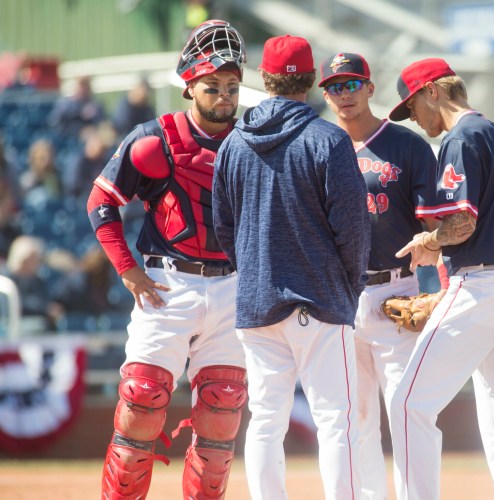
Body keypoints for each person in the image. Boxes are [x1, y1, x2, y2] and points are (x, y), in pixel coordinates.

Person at [87, 20, 248, 499]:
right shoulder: (155, 138)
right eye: (213, 86)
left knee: (222, 416)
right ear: (189, 86)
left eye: (232, 87)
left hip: (233, 287)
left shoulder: (251, 142)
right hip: (167, 283)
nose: (224, 97)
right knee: (141, 401)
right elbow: (101, 202)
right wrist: (127, 269)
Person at [212, 35, 370, 499]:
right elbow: (354, 229)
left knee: (264, 422)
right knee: (335, 423)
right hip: (321, 299)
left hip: (258, 303)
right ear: (312, 81)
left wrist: (256, 271)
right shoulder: (329, 139)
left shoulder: (233, 145)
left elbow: (224, 229)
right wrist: (351, 286)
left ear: (264, 78)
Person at [386, 58, 494, 499]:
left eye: (412, 106)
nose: (412, 118)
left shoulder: (461, 138)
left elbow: (461, 227)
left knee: (409, 403)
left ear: (433, 91)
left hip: (485, 286)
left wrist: (429, 242)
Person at [319, 51, 439, 499]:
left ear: (370, 87)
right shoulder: (318, 143)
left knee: (409, 412)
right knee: (353, 418)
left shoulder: (406, 145)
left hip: (397, 292)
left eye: (352, 84)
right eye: (334, 86)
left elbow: (436, 225)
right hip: (338, 297)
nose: (343, 94)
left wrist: (442, 287)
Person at [48, 75, 106, 140]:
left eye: (85, 86)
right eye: (81, 86)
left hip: (91, 138)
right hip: (69, 137)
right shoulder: (66, 104)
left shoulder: (95, 105)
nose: (83, 90)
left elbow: (102, 123)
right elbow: (55, 122)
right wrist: (80, 112)